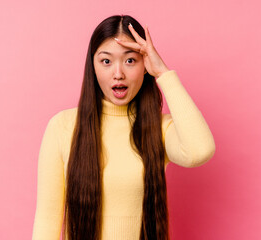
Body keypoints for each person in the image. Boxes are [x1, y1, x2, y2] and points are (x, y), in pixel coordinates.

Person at [32, 14, 216, 240]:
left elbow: (200, 150)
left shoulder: (160, 129)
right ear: (93, 66)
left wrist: (163, 73)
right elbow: (46, 222)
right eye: (106, 61)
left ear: (144, 66)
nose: (118, 73)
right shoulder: (62, 127)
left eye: (130, 60)